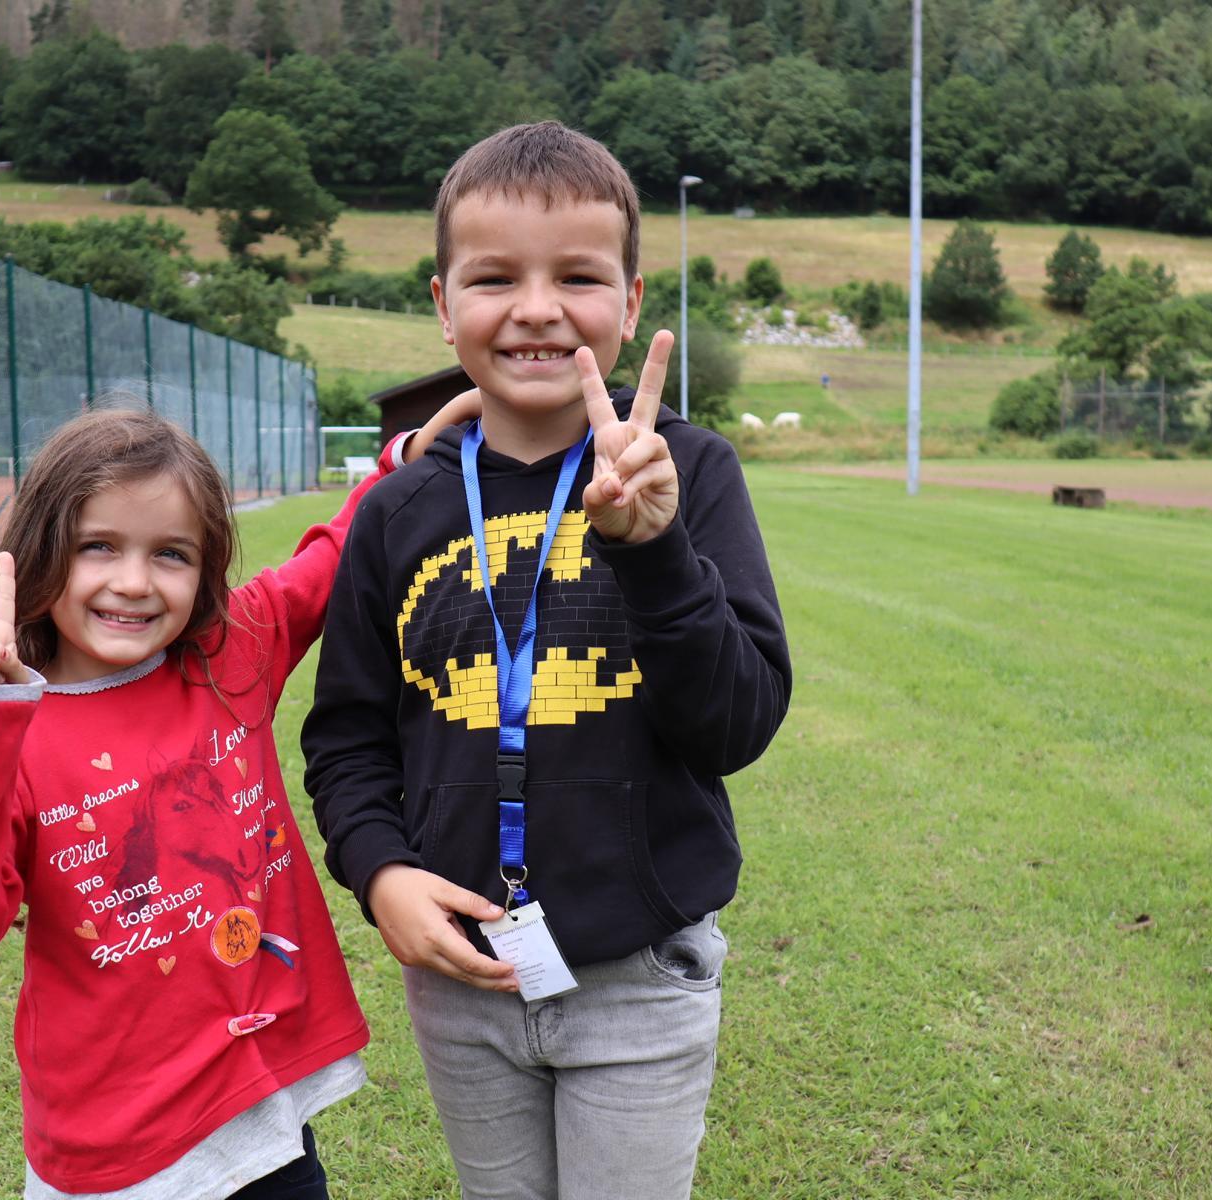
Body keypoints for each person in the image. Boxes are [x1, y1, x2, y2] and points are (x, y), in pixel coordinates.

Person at [303, 121, 792, 1199]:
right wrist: (380, 870)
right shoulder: (397, 511)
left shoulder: (689, 475)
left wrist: (654, 548)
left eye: (577, 275)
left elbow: (737, 722)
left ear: (630, 299)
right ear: (444, 305)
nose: (536, 308)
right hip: (464, 980)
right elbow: (346, 737)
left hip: (640, 976)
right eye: (495, 278)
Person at [0, 399, 473, 1200]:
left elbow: (327, 560)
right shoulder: (10, 732)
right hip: (114, 1156)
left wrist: (400, 460)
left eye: (171, 553)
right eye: (98, 545)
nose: (133, 583)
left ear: (206, 570)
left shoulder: (230, 653)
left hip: (264, 1128)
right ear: (39, 548)